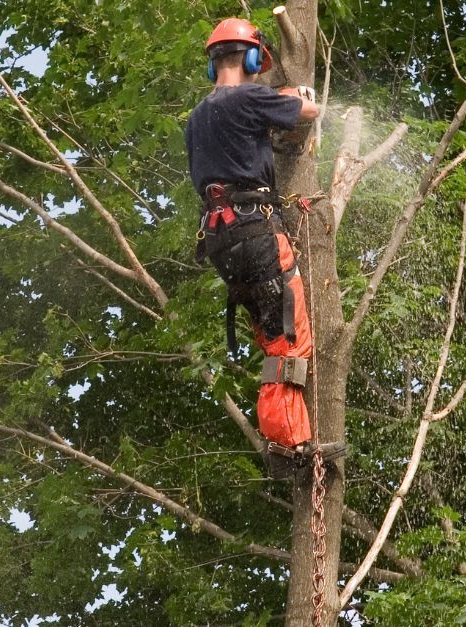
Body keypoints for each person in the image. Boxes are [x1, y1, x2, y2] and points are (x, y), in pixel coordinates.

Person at [185, 17, 344, 477]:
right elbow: (308, 113)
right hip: (255, 229)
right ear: (253, 59)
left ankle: (285, 438)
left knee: (273, 332)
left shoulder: (197, 118)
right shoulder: (253, 97)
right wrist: (299, 96)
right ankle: (290, 448)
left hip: (219, 239)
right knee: (289, 339)